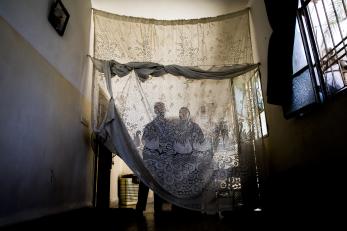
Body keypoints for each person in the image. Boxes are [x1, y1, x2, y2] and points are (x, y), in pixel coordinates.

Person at [136, 102, 172, 215]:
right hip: (150, 159)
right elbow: (144, 141)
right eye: (157, 108)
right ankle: (140, 207)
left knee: (159, 183)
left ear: (165, 110)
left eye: (162, 107)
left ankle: (158, 208)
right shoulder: (149, 126)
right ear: (155, 111)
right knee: (145, 182)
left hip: (162, 159)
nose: (160, 110)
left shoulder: (169, 126)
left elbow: (172, 142)